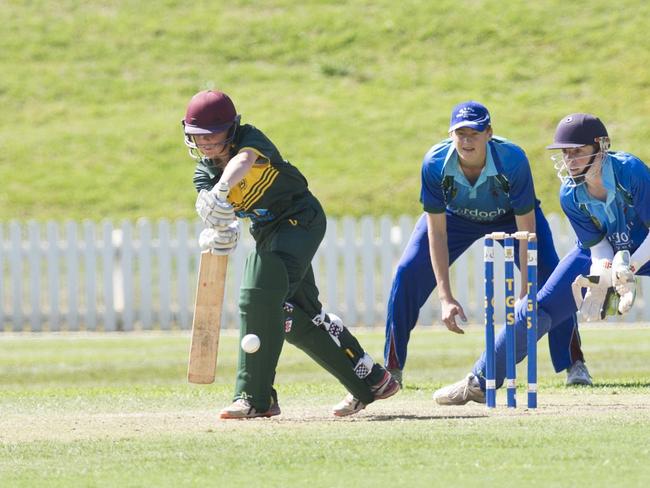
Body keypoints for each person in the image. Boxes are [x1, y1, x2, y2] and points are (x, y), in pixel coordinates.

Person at [182, 89, 399, 419]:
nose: (207, 142)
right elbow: (216, 210)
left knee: (259, 295)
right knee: (294, 316)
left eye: (214, 133)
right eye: (199, 136)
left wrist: (222, 190)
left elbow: (243, 162)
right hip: (267, 233)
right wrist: (218, 228)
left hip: (301, 219)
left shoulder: (250, 139)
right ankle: (370, 379)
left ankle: (254, 396)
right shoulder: (204, 172)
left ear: (232, 128)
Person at [433, 112, 649, 405]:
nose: (570, 160)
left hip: (642, 245)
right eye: (566, 153)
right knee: (537, 307)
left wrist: (630, 267)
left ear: (601, 146)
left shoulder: (629, 171)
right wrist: (606, 274)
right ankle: (480, 381)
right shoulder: (570, 194)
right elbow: (597, 247)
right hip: (606, 251)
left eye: (578, 151)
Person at [384, 101, 592, 390]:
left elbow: (526, 229)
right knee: (406, 272)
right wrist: (446, 298)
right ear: (450, 134)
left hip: (511, 217)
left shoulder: (512, 159)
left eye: (475, 133)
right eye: (461, 133)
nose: (467, 140)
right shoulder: (434, 163)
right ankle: (392, 369)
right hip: (455, 218)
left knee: (552, 276)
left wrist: (525, 291)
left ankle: (575, 364)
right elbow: (437, 233)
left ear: (489, 133)